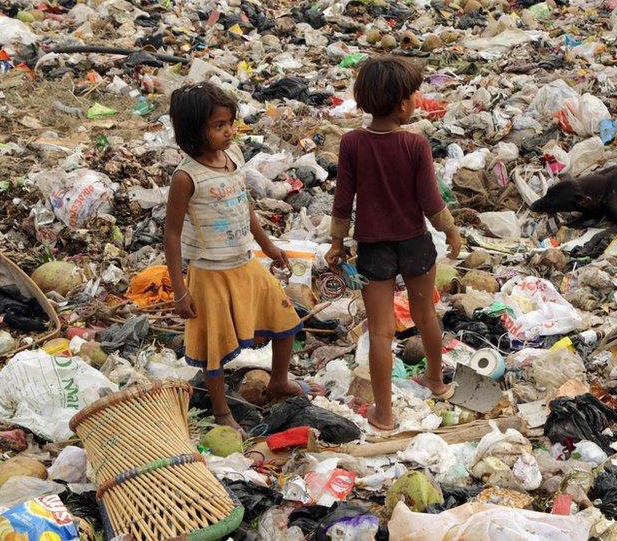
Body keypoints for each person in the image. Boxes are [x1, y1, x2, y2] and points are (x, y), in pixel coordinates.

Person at [164, 82, 319, 436]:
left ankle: (278, 381)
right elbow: (171, 234)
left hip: (245, 261)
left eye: (230, 123)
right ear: (192, 132)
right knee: (213, 346)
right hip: (210, 272)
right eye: (219, 126)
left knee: (285, 319)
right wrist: (179, 290)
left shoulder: (233, 159)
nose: (229, 131)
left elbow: (244, 207)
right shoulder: (186, 177)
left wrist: (268, 247)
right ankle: (221, 412)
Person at [327, 57, 462, 431]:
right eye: (413, 95)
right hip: (415, 243)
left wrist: (336, 242)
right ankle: (436, 381)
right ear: (403, 104)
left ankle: (383, 413)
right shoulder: (415, 145)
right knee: (425, 316)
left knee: (382, 331)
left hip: (374, 248)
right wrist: (450, 231)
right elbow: (430, 200)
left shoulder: (353, 143)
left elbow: (343, 198)